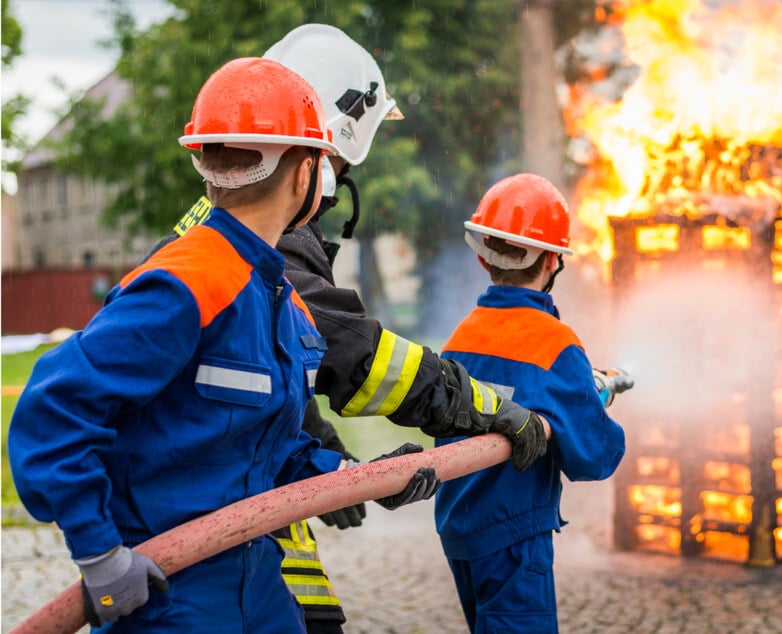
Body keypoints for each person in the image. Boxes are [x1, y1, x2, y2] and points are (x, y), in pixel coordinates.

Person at [7, 57, 428, 632]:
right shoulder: (185, 284)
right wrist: (101, 555)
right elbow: (52, 411)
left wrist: (364, 477)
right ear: (306, 170)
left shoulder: (281, 299)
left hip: (258, 579)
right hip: (171, 595)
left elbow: (267, 449)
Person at [158, 24, 550, 633]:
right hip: (208, 535)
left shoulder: (227, 232)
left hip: (235, 503)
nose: (331, 182)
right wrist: (481, 406)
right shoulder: (262, 245)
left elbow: (260, 377)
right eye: (333, 162)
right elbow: (357, 354)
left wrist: (335, 471)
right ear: (309, 158)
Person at [434, 173, 630, 633]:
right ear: (552, 259)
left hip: (459, 526)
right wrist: (592, 403)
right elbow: (594, 457)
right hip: (513, 531)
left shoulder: (462, 335)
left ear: (485, 258)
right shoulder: (556, 344)